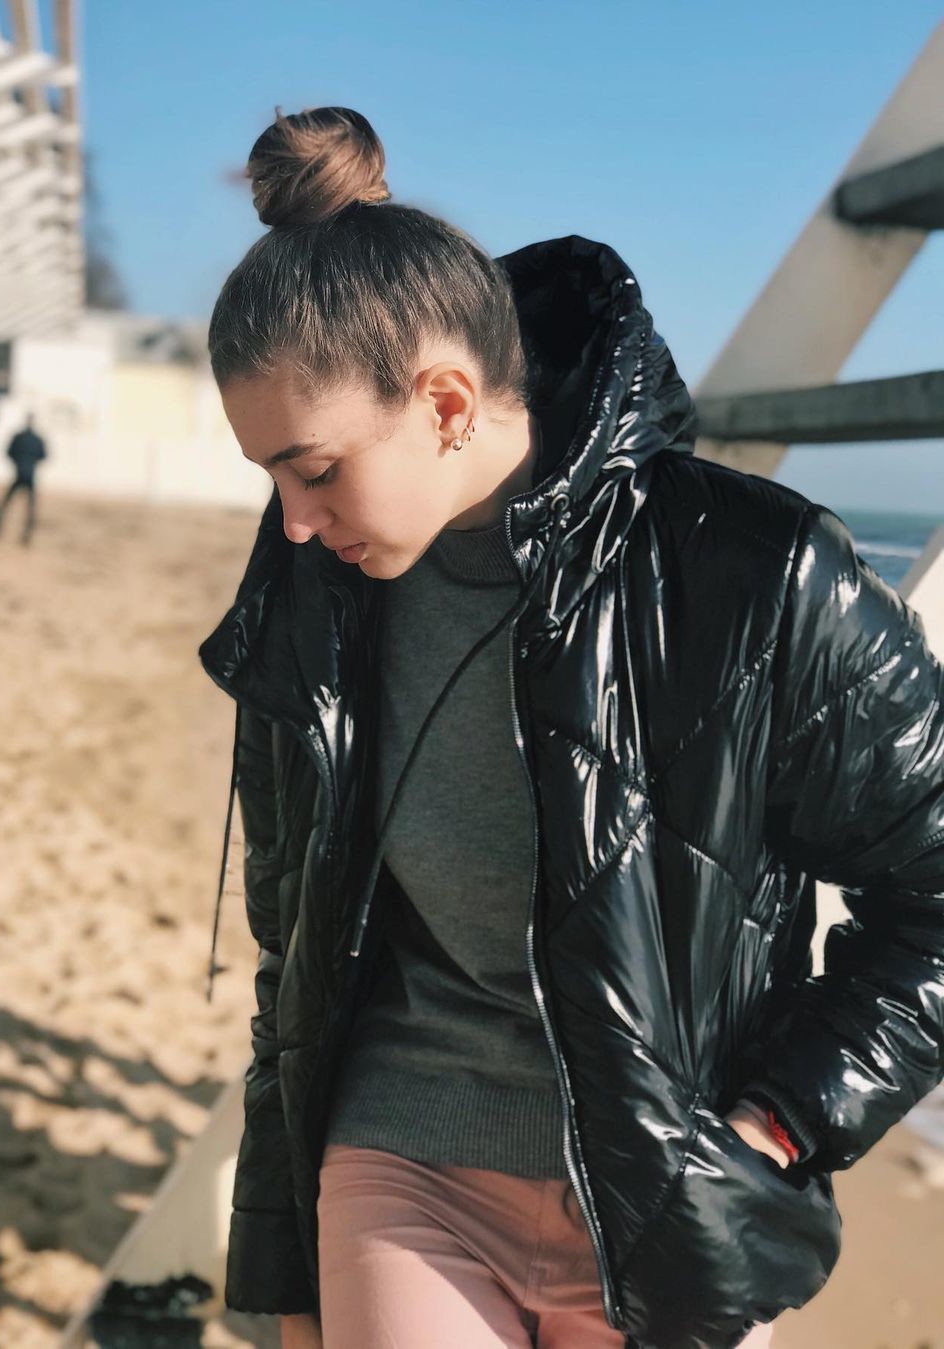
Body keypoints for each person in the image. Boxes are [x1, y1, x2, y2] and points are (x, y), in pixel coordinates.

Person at [198, 107, 944, 1349]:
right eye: (270, 476)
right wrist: (286, 1265)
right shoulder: (315, 594)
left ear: (446, 400)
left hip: (665, 1206)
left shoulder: (754, 572)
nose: (292, 521)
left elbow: (935, 888)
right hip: (404, 1155)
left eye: (314, 469)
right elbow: (298, 950)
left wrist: (773, 1125)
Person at [0, 415, 47, 544]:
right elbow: (43, 456)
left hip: (19, 474)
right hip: (29, 475)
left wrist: (18, 463)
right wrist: (30, 463)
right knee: (29, 509)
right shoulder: (37, 439)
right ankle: (26, 536)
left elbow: (9, 452)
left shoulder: (19, 437)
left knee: (6, 504)